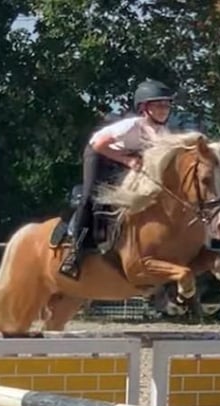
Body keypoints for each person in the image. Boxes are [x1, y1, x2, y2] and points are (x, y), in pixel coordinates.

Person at [59, 78, 176, 279]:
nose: (164, 109)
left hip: (124, 161)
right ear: (144, 108)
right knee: (90, 198)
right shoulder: (130, 125)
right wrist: (126, 160)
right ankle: (74, 253)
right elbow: (99, 145)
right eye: (158, 105)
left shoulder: (163, 133)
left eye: (166, 105)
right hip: (99, 155)